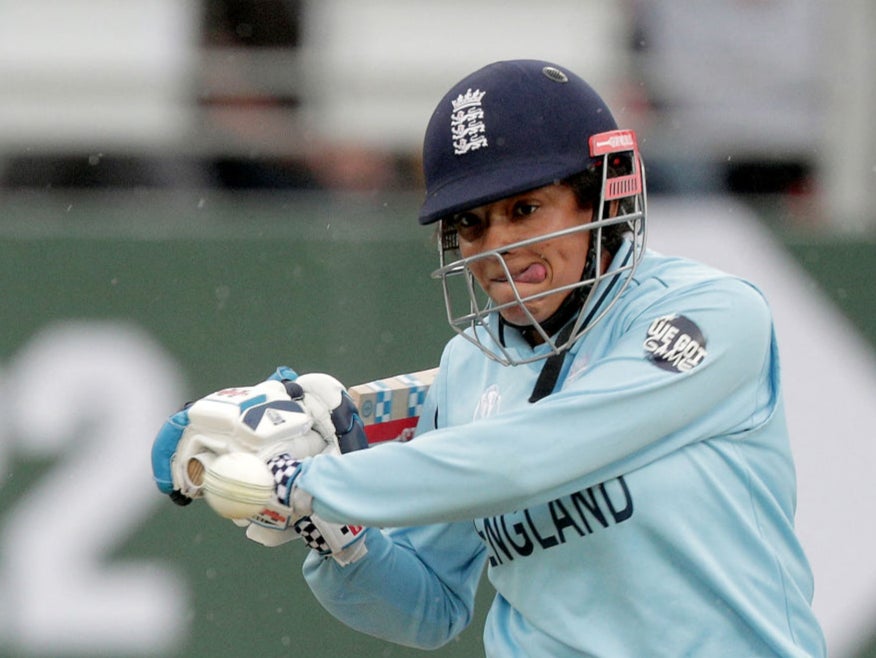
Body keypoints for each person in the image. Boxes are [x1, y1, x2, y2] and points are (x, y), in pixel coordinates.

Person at [152, 59, 826, 657]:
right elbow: (427, 609)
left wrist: (312, 480)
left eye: (525, 208)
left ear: (599, 196)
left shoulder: (709, 317)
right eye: (471, 223)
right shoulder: (471, 368)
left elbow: (541, 451)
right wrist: (335, 532)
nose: (496, 248)